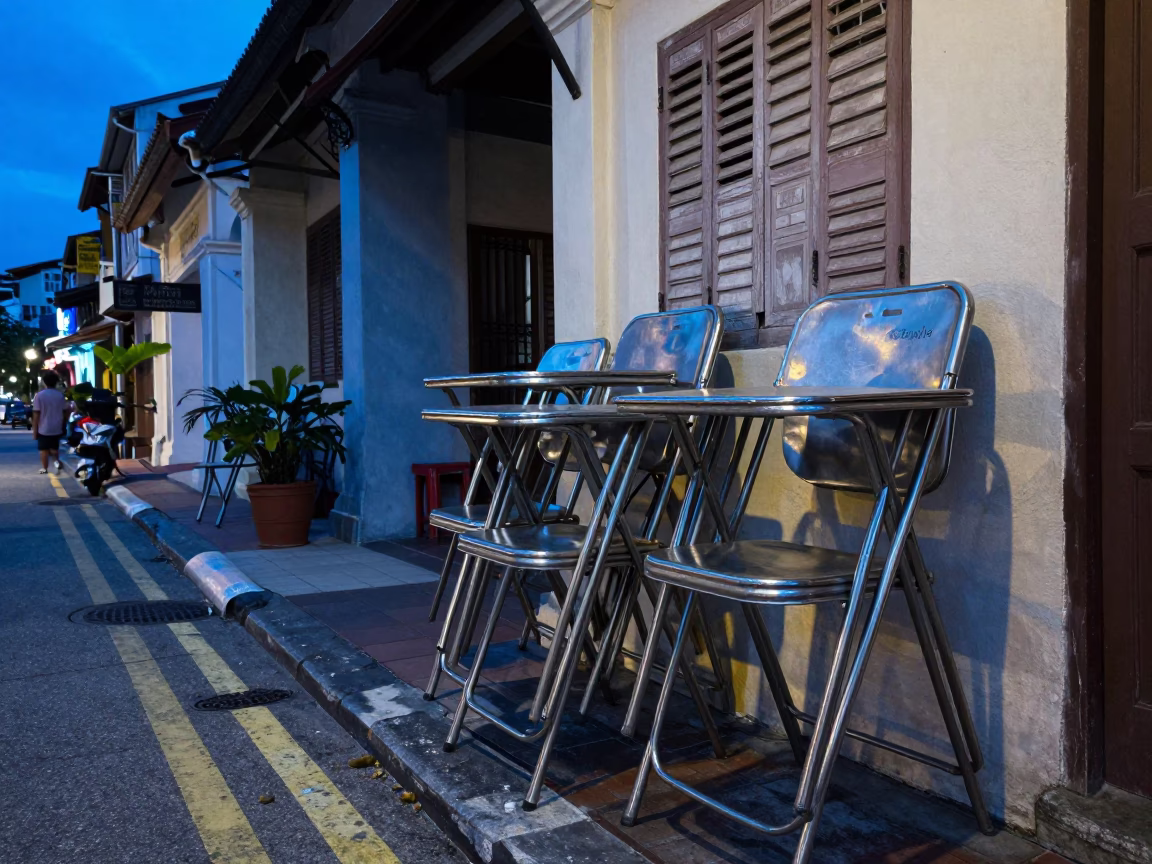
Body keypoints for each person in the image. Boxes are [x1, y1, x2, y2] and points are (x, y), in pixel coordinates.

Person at [31, 371, 68, 475]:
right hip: (57, 427)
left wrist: (35, 431)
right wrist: (64, 423)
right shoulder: (60, 395)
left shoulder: (39, 396)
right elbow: (65, 411)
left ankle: (45, 468)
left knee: (43, 450)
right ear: (56, 382)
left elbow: (36, 414)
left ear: (44, 382)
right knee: (54, 448)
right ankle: (57, 462)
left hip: (43, 428)